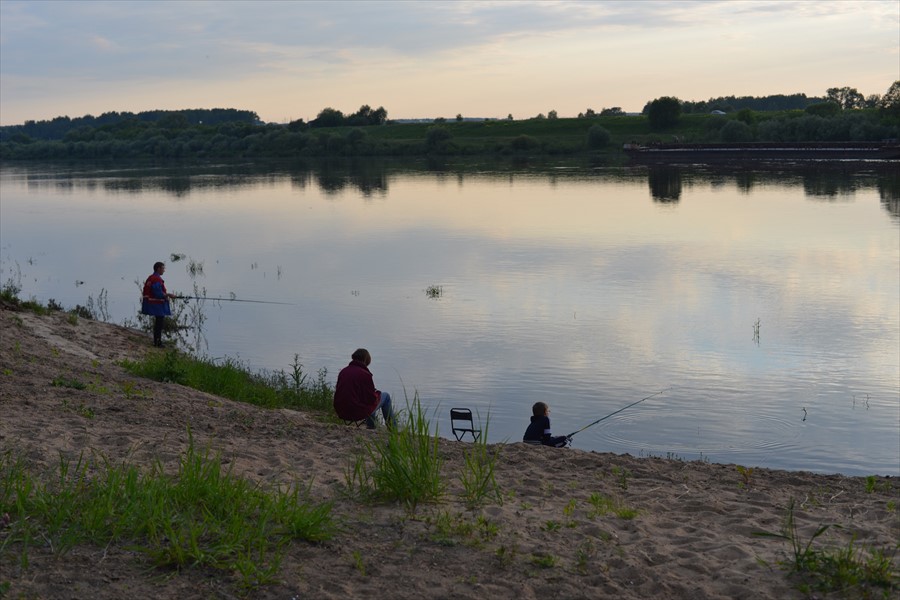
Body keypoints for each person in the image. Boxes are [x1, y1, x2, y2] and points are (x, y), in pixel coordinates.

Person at [333, 348, 395, 429]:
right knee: (385, 396)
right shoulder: (365, 374)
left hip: (341, 410)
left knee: (366, 402)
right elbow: (371, 399)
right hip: (355, 412)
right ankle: (393, 429)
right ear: (367, 360)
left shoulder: (343, 371)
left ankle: (371, 426)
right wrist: (377, 393)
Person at [141, 261, 176, 347]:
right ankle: (157, 343)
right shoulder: (156, 279)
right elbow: (158, 294)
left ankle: (157, 341)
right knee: (159, 324)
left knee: (158, 323)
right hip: (157, 304)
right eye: (163, 268)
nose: (164, 270)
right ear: (158, 269)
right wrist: (168, 295)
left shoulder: (151, 277)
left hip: (153, 303)